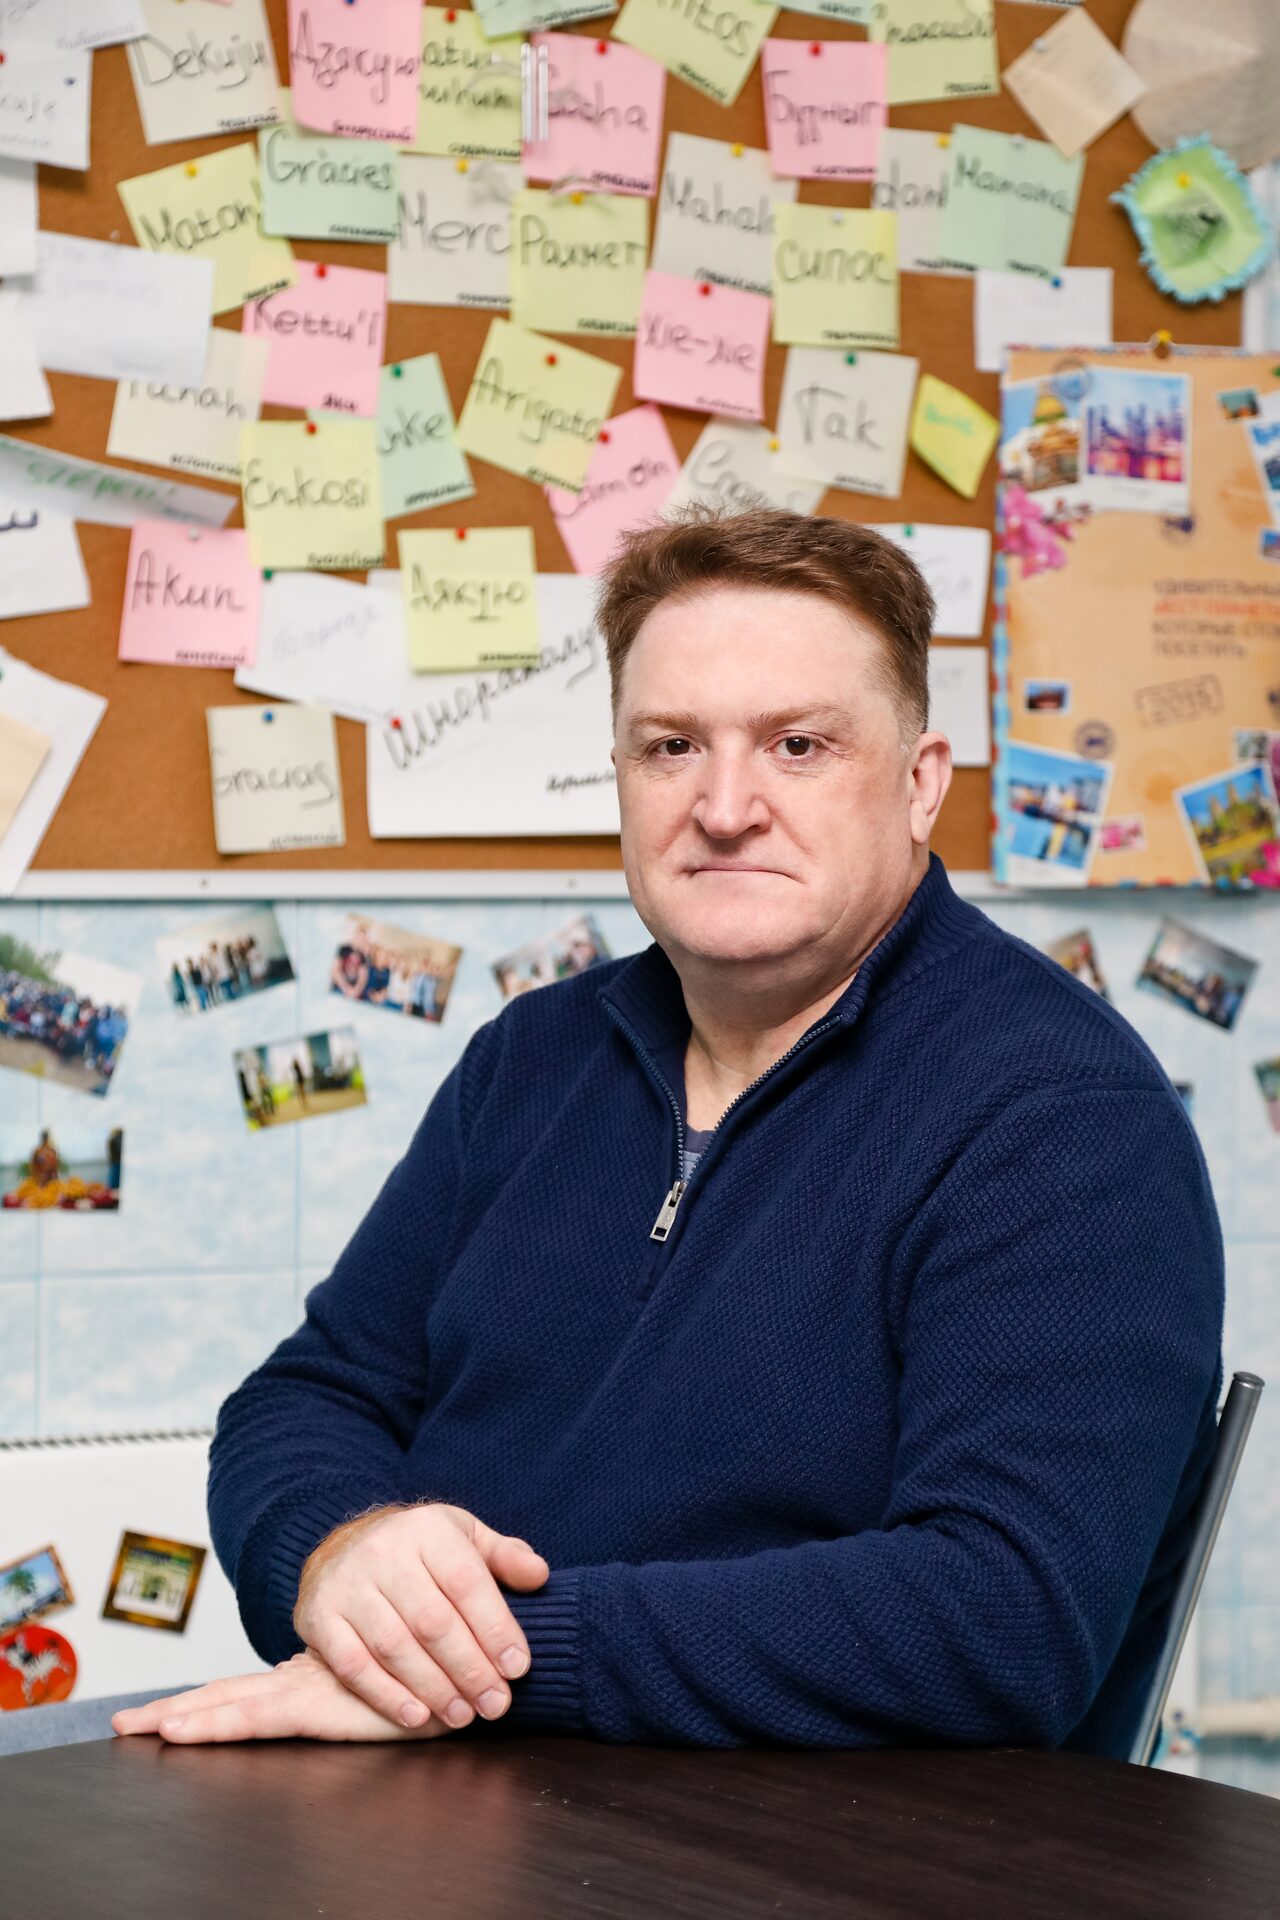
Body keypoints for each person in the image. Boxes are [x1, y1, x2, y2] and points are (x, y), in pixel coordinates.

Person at [116, 507, 1223, 1758]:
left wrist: (488, 1661)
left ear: (918, 784)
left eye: (797, 746)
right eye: (670, 746)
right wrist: (338, 1552)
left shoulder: (1062, 1118)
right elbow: (310, 1398)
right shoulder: (528, 1059)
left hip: (829, 1842)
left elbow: (999, 1619)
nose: (724, 806)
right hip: (469, 1795)